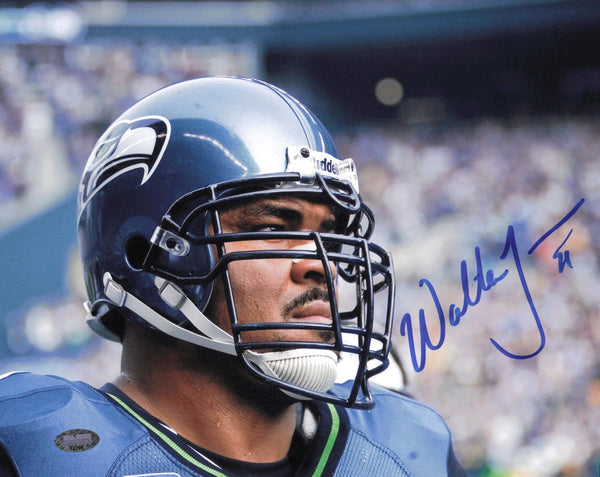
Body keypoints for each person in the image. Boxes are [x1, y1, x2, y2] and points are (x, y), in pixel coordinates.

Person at [0, 76, 465, 476]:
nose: (321, 265)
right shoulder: (39, 447)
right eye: (273, 229)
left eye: (329, 234)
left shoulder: (409, 445)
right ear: (146, 255)